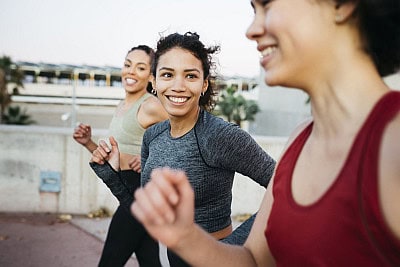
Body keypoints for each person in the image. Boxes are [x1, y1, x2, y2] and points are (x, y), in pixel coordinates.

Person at [131, 0, 400, 266]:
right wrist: (186, 238)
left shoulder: (394, 140)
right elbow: (253, 261)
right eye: (253, 10)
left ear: (340, 4)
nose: (252, 29)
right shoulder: (300, 139)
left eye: (267, 6)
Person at [90, 32, 276, 266]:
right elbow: (147, 214)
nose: (178, 86)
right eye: (168, 75)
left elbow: (284, 189)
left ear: (204, 84)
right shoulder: (152, 136)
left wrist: (235, 248)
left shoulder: (219, 135)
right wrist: (112, 172)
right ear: (155, 82)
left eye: (190, 76)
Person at [73, 45, 168, 266]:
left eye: (141, 67)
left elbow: (184, 132)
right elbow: (115, 155)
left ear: (151, 76)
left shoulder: (150, 105)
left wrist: (151, 160)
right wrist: (88, 142)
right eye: (128, 65)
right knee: (149, 259)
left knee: (110, 261)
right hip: (126, 186)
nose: (131, 72)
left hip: (141, 190)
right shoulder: (123, 105)